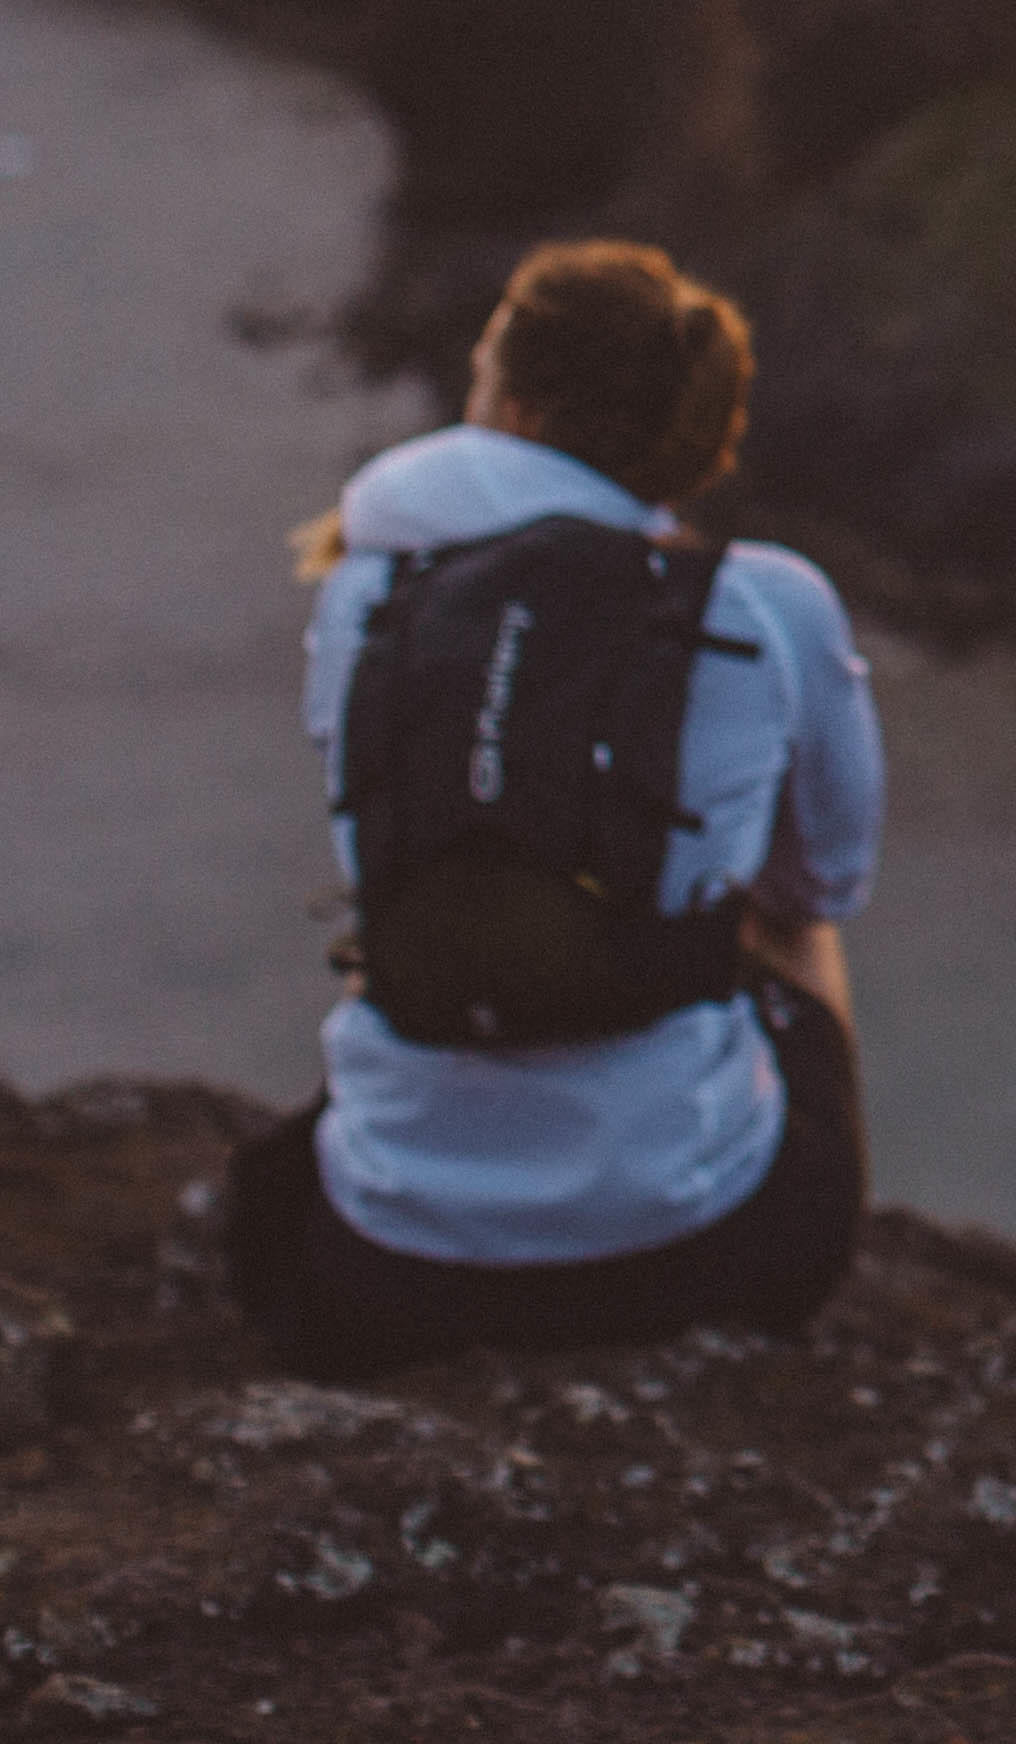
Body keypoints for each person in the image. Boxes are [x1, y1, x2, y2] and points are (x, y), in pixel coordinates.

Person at [225, 239, 886, 1375]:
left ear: (516, 410)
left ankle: (446, 1157)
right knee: (793, 916)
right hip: (705, 1254)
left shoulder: (365, 591)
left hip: (387, 1268)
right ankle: (679, 1170)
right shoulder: (766, 602)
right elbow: (824, 880)